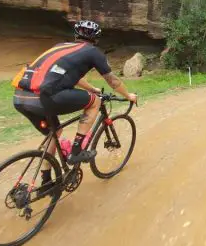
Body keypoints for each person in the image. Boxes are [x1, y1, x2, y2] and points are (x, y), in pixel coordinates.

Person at [11, 20, 137, 192]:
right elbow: (112, 81)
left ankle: (46, 182)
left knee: (54, 132)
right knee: (95, 101)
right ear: (96, 39)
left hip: (20, 97)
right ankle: (76, 151)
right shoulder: (92, 52)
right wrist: (128, 95)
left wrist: (92, 88)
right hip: (45, 97)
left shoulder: (61, 47)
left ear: (76, 36)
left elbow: (72, 76)